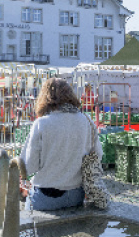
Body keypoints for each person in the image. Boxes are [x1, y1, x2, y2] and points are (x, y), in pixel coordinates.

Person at [19, 78, 103, 211]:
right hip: (76, 194)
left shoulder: (42, 123)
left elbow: (29, 166)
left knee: (30, 223)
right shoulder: (87, 121)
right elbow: (98, 154)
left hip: (45, 196)